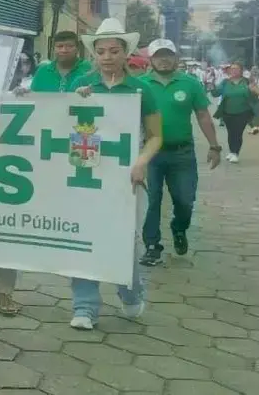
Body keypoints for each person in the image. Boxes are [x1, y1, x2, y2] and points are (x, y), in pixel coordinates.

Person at [0, 31, 92, 317]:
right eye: (59, 46)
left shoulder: (89, 74)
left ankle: (82, 301)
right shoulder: (40, 74)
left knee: (30, 223)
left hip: (64, 156)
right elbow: (34, 104)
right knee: (0, 221)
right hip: (22, 158)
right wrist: (23, 96)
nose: (63, 50)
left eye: (68, 45)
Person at [67, 18, 162, 331]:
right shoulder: (82, 86)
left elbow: (155, 135)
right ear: (94, 54)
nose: (107, 56)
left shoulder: (141, 89)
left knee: (122, 242)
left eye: (114, 50)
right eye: (101, 51)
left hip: (127, 178)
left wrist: (142, 161)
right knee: (83, 239)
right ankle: (84, 307)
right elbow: (59, 123)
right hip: (86, 176)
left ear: (126, 54)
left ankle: (129, 289)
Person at [138, 39, 222, 266]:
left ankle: (179, 228)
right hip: (150, 154)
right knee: (151, 199)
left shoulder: (190, 83)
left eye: (168, 55)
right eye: (158, 56)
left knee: (185, 200)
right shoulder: (140, 84)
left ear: (176, 58)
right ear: (151, 59)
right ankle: (152, 245)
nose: (163, 60)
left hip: (182, 153)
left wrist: (214, 146)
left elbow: (203, 116)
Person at [212, 63, 259, 163]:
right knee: (231, 133)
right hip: (227, 112)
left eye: (236, 69)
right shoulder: (225, 82)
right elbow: (216, 93)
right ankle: (231, 151)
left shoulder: (246, 81)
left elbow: (254, 95)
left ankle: (236, 153)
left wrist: (254, 90)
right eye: (232, 69)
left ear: (241, 70)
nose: (234, 71)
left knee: (238, 133)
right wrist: (211, 86)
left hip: (243, 112)